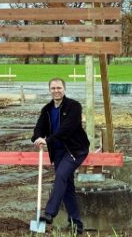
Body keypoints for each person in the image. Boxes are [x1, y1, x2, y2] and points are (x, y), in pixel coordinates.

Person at [31, 78, 89, 235]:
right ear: (49, 90)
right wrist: (37, 138)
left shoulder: (74, 107)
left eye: (59, 87)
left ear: (64, 89)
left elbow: (67, 129)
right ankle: (77, 224)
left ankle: (50, 213)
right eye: (53, 88)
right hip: (58, 152)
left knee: (61, 175)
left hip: (75, 150)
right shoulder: (47, 109)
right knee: (67, 186)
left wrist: (48, 139)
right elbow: (39, 127)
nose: (56, 90)